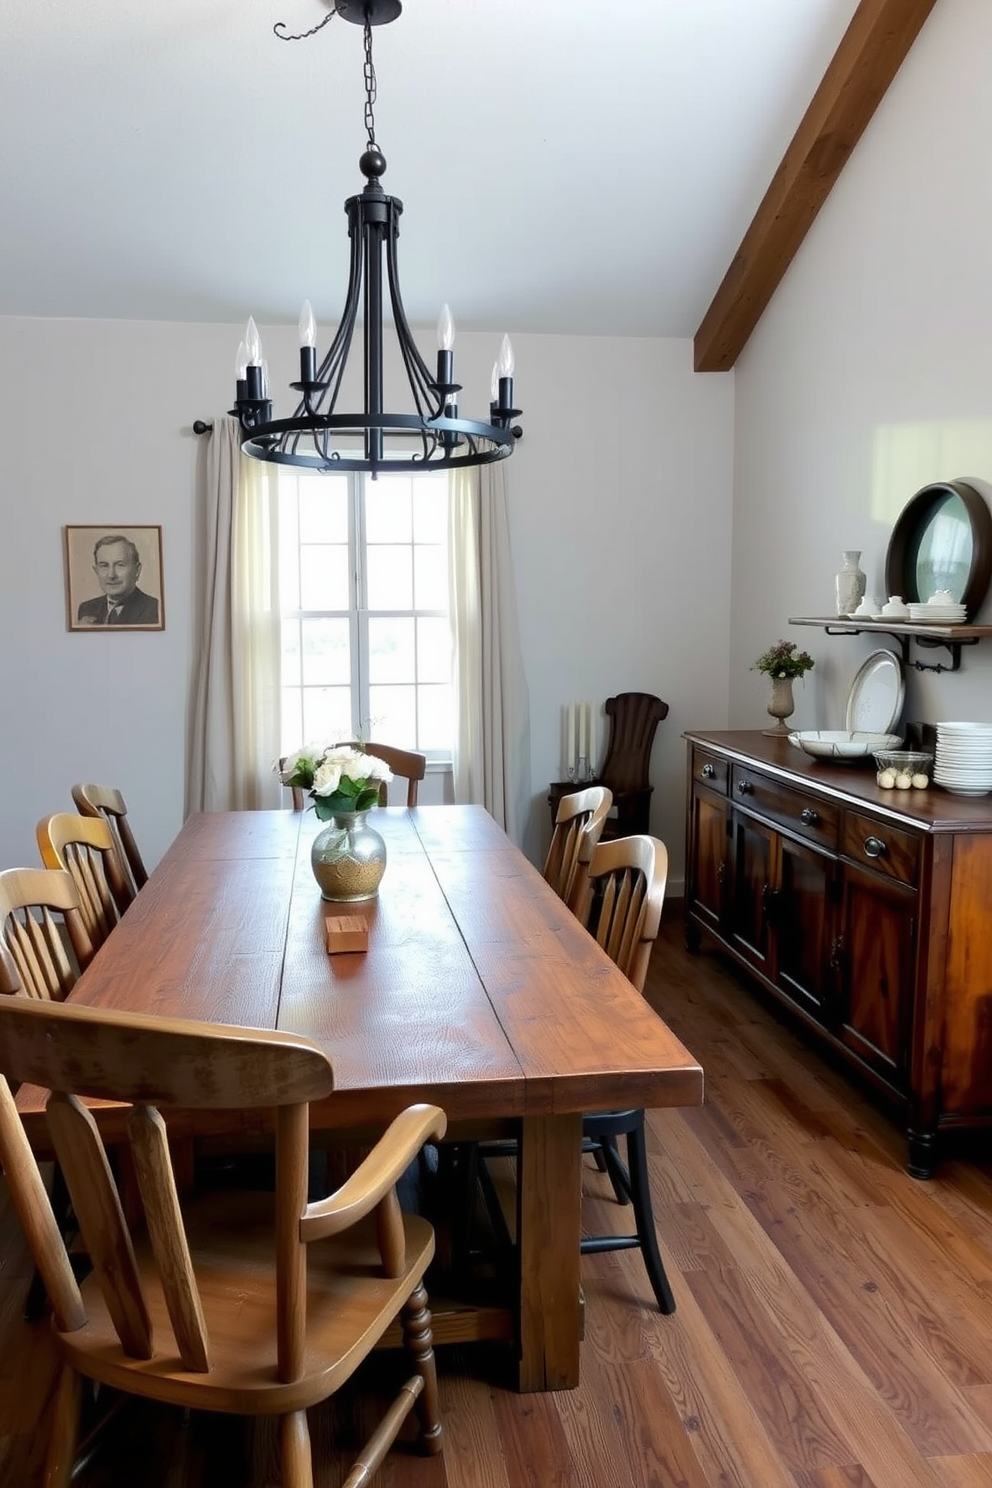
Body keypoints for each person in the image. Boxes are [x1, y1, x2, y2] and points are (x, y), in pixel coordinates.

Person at [76, 534, 159, 626]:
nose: (111, 575)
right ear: (96, 571)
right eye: (104, 565)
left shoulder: (155, 609)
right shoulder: (87, 608)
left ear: (137, 571)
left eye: (120, 565)